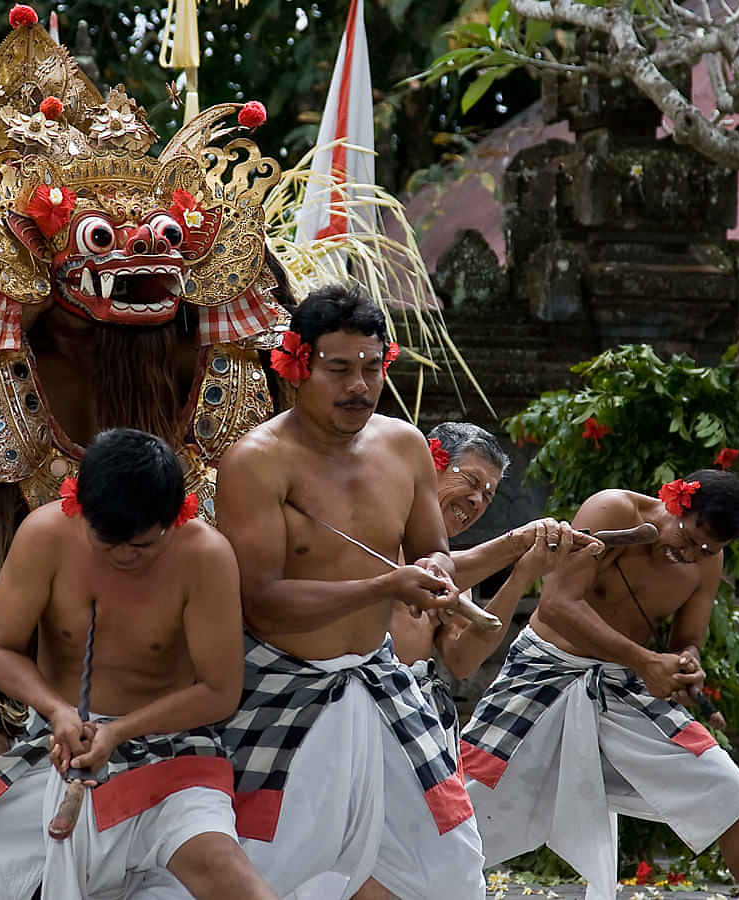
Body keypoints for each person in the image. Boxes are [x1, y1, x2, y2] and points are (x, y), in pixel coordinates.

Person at [0, 429, 278, 900]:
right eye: (110, 542)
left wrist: (118, 733)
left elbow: (218, 690)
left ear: (174, 519)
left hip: (169, 756)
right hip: (50, 747)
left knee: (229, 879)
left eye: (141, 546)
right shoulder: (45, 535)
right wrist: (59, 711)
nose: (125, 555)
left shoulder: (205, 556)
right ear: (79, 506)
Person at [201, 283, 487, 899]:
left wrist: (435, 573)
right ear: (297, 367)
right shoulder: (257, 461)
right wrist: (384, 584)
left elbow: (432, 546)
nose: (359, 385)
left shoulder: (405, 445)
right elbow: (261, 599)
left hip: (381, 680)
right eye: (338, 369)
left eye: (370, 366)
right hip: (283, 684)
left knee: (452, 863)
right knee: (263, 867)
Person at [460, 470, 739, 900]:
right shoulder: (613, 509)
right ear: (676, 502)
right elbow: (557, 604)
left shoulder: (706, 561)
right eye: (689, 539)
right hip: (542, 671)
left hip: (622, 685)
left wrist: (686, 663)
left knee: (727, 790)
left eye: (707, 550)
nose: (691, 555)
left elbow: (688, 637)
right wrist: (646, 661)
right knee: (460, 803)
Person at [385, 423, 599, 753]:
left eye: (488, 495)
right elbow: (417, 573)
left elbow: (463, 660)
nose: (476, 501)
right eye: (471, 481)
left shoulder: (453, 571)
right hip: (361, 697)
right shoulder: (379, 530)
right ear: (430, 466)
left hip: (414, 711)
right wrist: (518, 542)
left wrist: (522, 575)